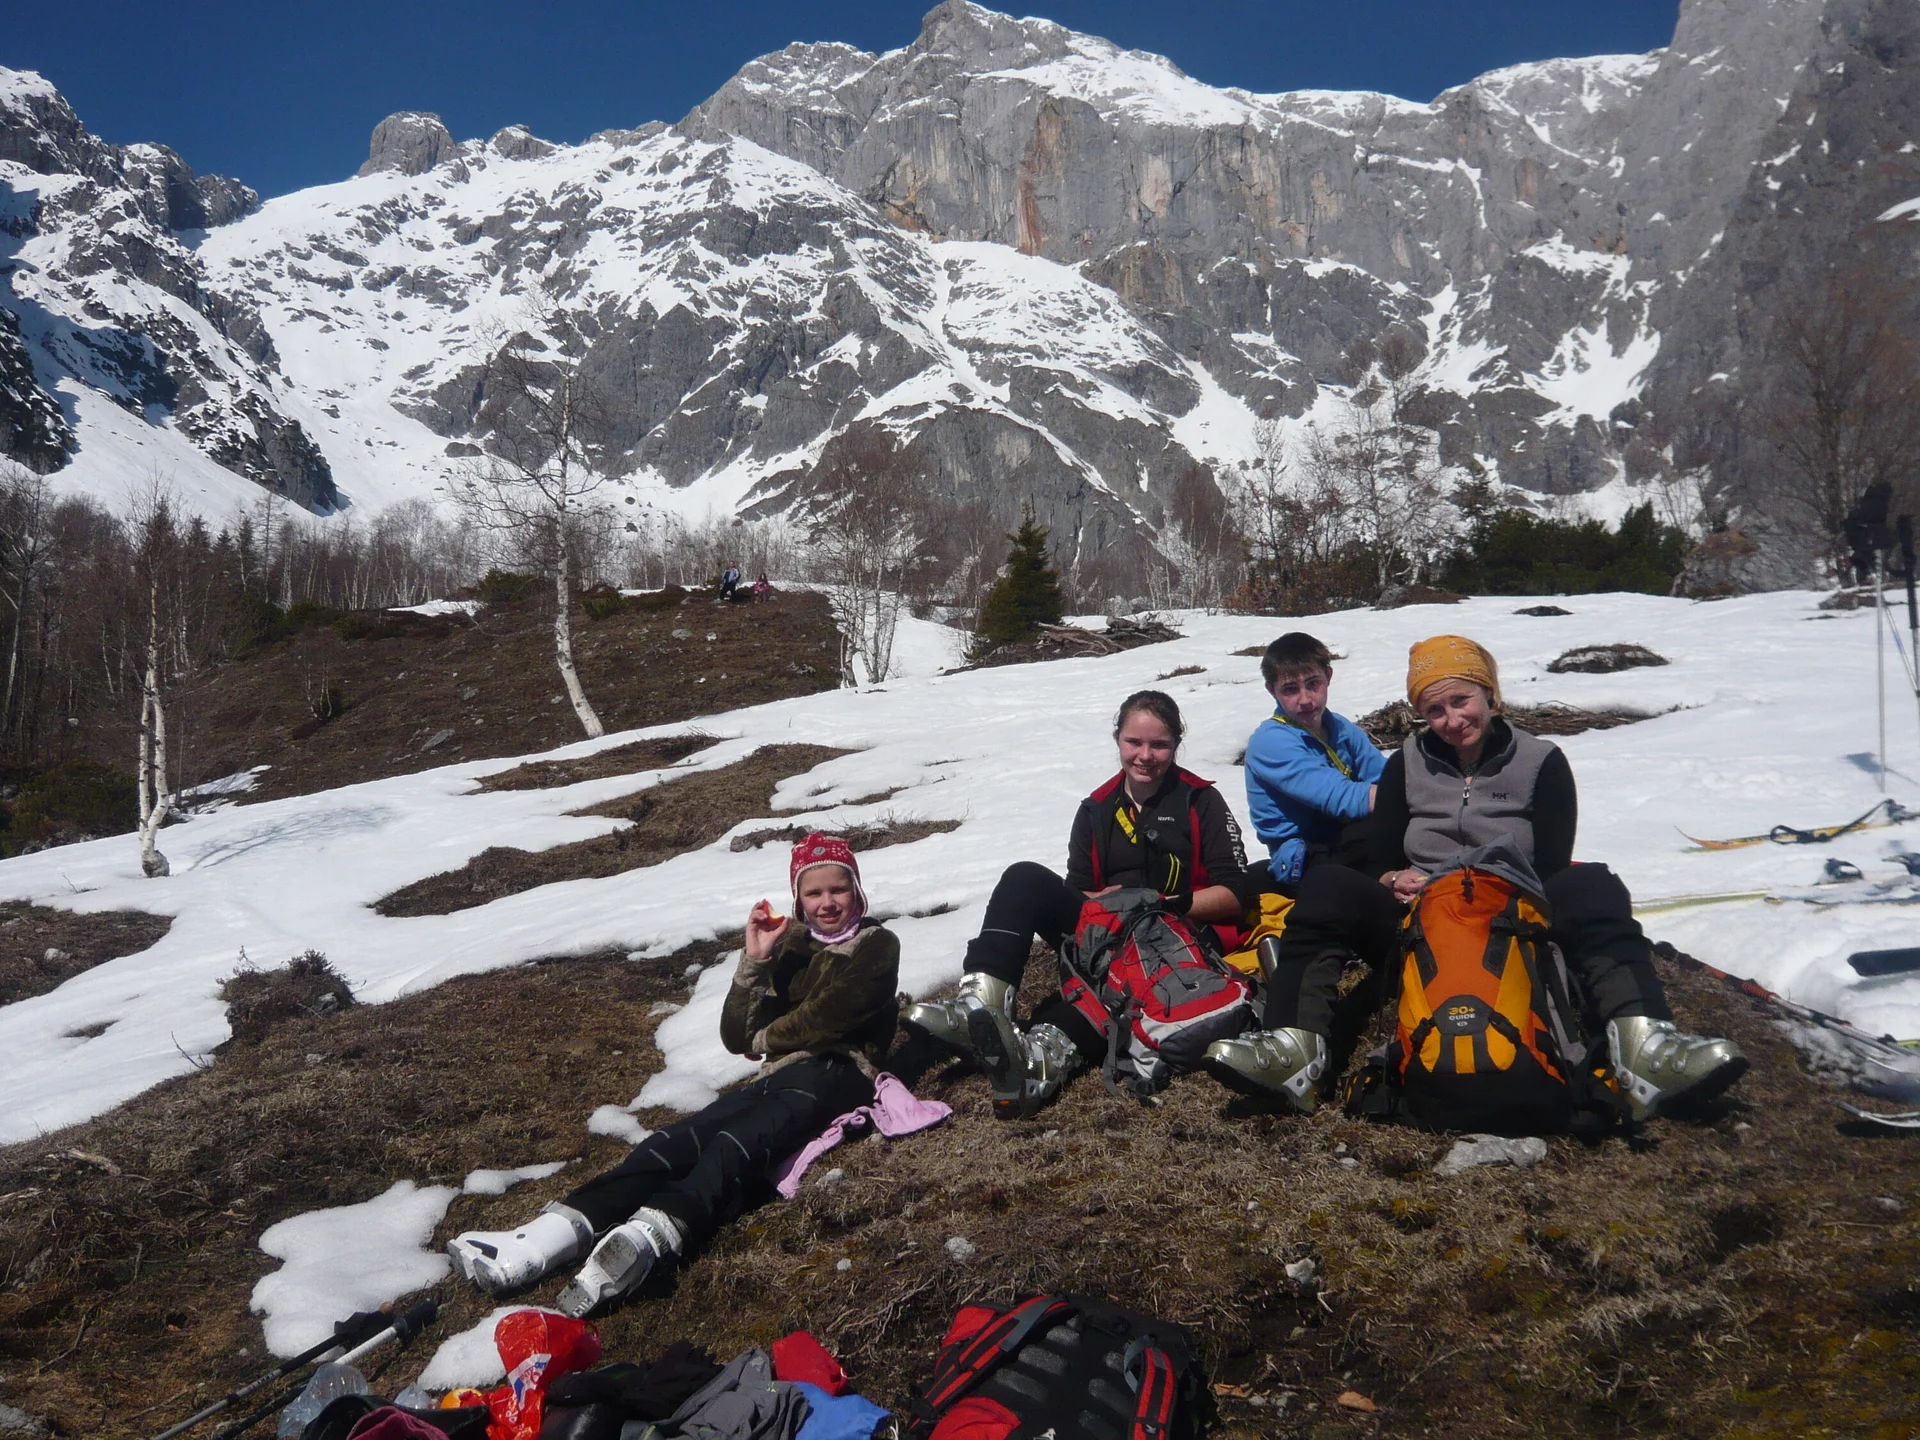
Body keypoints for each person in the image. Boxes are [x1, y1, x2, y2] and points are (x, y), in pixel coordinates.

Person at [1208, 634, 1746, 1121]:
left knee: (1595, 884)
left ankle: (1645, 1044)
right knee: (1327, 887)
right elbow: (1378, 857)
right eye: (1433, 709)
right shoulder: (1406, 764)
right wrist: (1391, 876)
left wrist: (1490, 878)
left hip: (1513, 916)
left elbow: (1554, 865)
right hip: (1420, 921)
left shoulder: (1542, 762)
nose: (1450, 719)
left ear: (1489, 693)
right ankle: (1295, 1048)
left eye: (1461, 700)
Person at [446, 834, 899, 1315]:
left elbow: (831, 1018)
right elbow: (735, 1035)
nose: (827, 903)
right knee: (676, 1140)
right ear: (799, 898)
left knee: (739, 1143)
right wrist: (755, 961)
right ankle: (545, 1237)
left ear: (856, 890)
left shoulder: (877, 944)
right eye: (814, 893)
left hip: (840, 1073)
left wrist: (765, 1040)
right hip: (778, 1076)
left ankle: (649, 1236)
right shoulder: (792, 949)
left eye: (838, 890)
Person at [904, 690, 1252, 1118]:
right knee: (1024, 877)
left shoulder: (1201, 801)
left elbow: (1235, 895)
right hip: (1110, 935)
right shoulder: (1096, 809)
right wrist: (1107, 904)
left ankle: (1036, 1066)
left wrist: (1160, 902)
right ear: (1118, 740)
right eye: (1134, 743)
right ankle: (979, 1007)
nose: (1145, 755)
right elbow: (1079, 890)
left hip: (1179, 941)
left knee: (1097, 999)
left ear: (1176, 745)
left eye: (1158, 744)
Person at [1243, 631, 1384, 890]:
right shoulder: (1270, 741)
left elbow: (1383, 776)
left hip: (1343, 839)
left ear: (1328, 677)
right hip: (1299, 856)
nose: (1305, 699)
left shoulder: (1339, 727)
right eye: (1290, 689)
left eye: (1312, 684)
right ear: (1271, 691)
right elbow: (1342, 799)